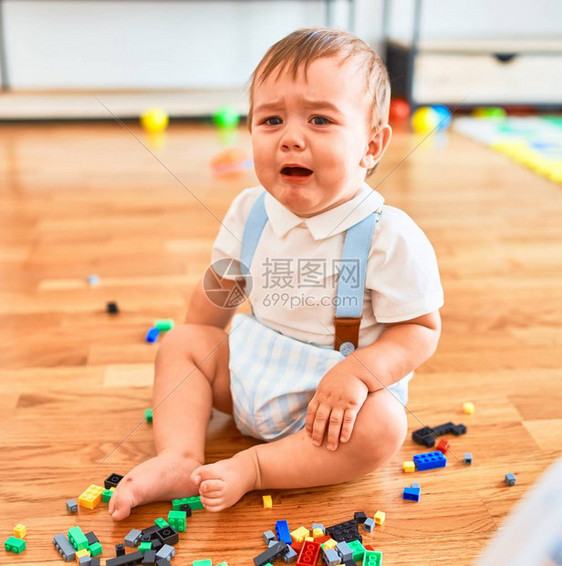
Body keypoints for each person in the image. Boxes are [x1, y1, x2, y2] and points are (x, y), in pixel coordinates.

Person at [109, 27, 444, 520]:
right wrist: (198, 360)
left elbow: (420, 330)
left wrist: (357, 374)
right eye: (271, 120)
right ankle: (179, 456)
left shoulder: (387, 235)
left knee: (385, 427)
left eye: (319, 119)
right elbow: (220, 289)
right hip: (254, 366)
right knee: (180, 342)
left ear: (371, 145)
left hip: (336, 402)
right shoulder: (251, 210)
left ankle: (259, 467)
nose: (290, 138)